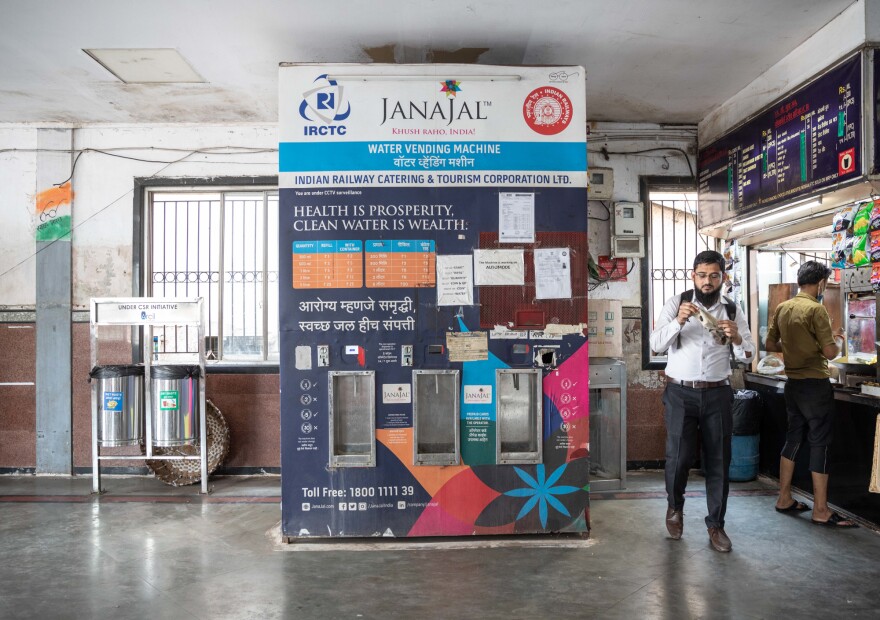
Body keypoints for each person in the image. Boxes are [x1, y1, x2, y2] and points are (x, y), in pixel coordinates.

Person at [649, 250, 756, 552]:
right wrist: (678, 323)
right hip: (680, 392)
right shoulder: (677, 303)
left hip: (718, 392)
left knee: (719, 461)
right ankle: (674, 507)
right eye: (702, 275)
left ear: (723, 277)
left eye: (714, 276)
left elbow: (748, 355)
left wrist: (737, 340)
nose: (707, 282)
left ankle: (716, 526)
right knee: (679, 457)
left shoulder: (732, 310)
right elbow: (655, 345)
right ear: (692, 275)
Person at [764, 261, 858, 528]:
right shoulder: (816, 310)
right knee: (820, 443)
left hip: (792, 385)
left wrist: (794, 347)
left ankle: (784, 497)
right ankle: (820, 509)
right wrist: (839, 340)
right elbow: (830, 353)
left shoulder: (783, 307)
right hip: (816, 386)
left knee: (793, 439)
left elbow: (770, 344)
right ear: (820, 284)